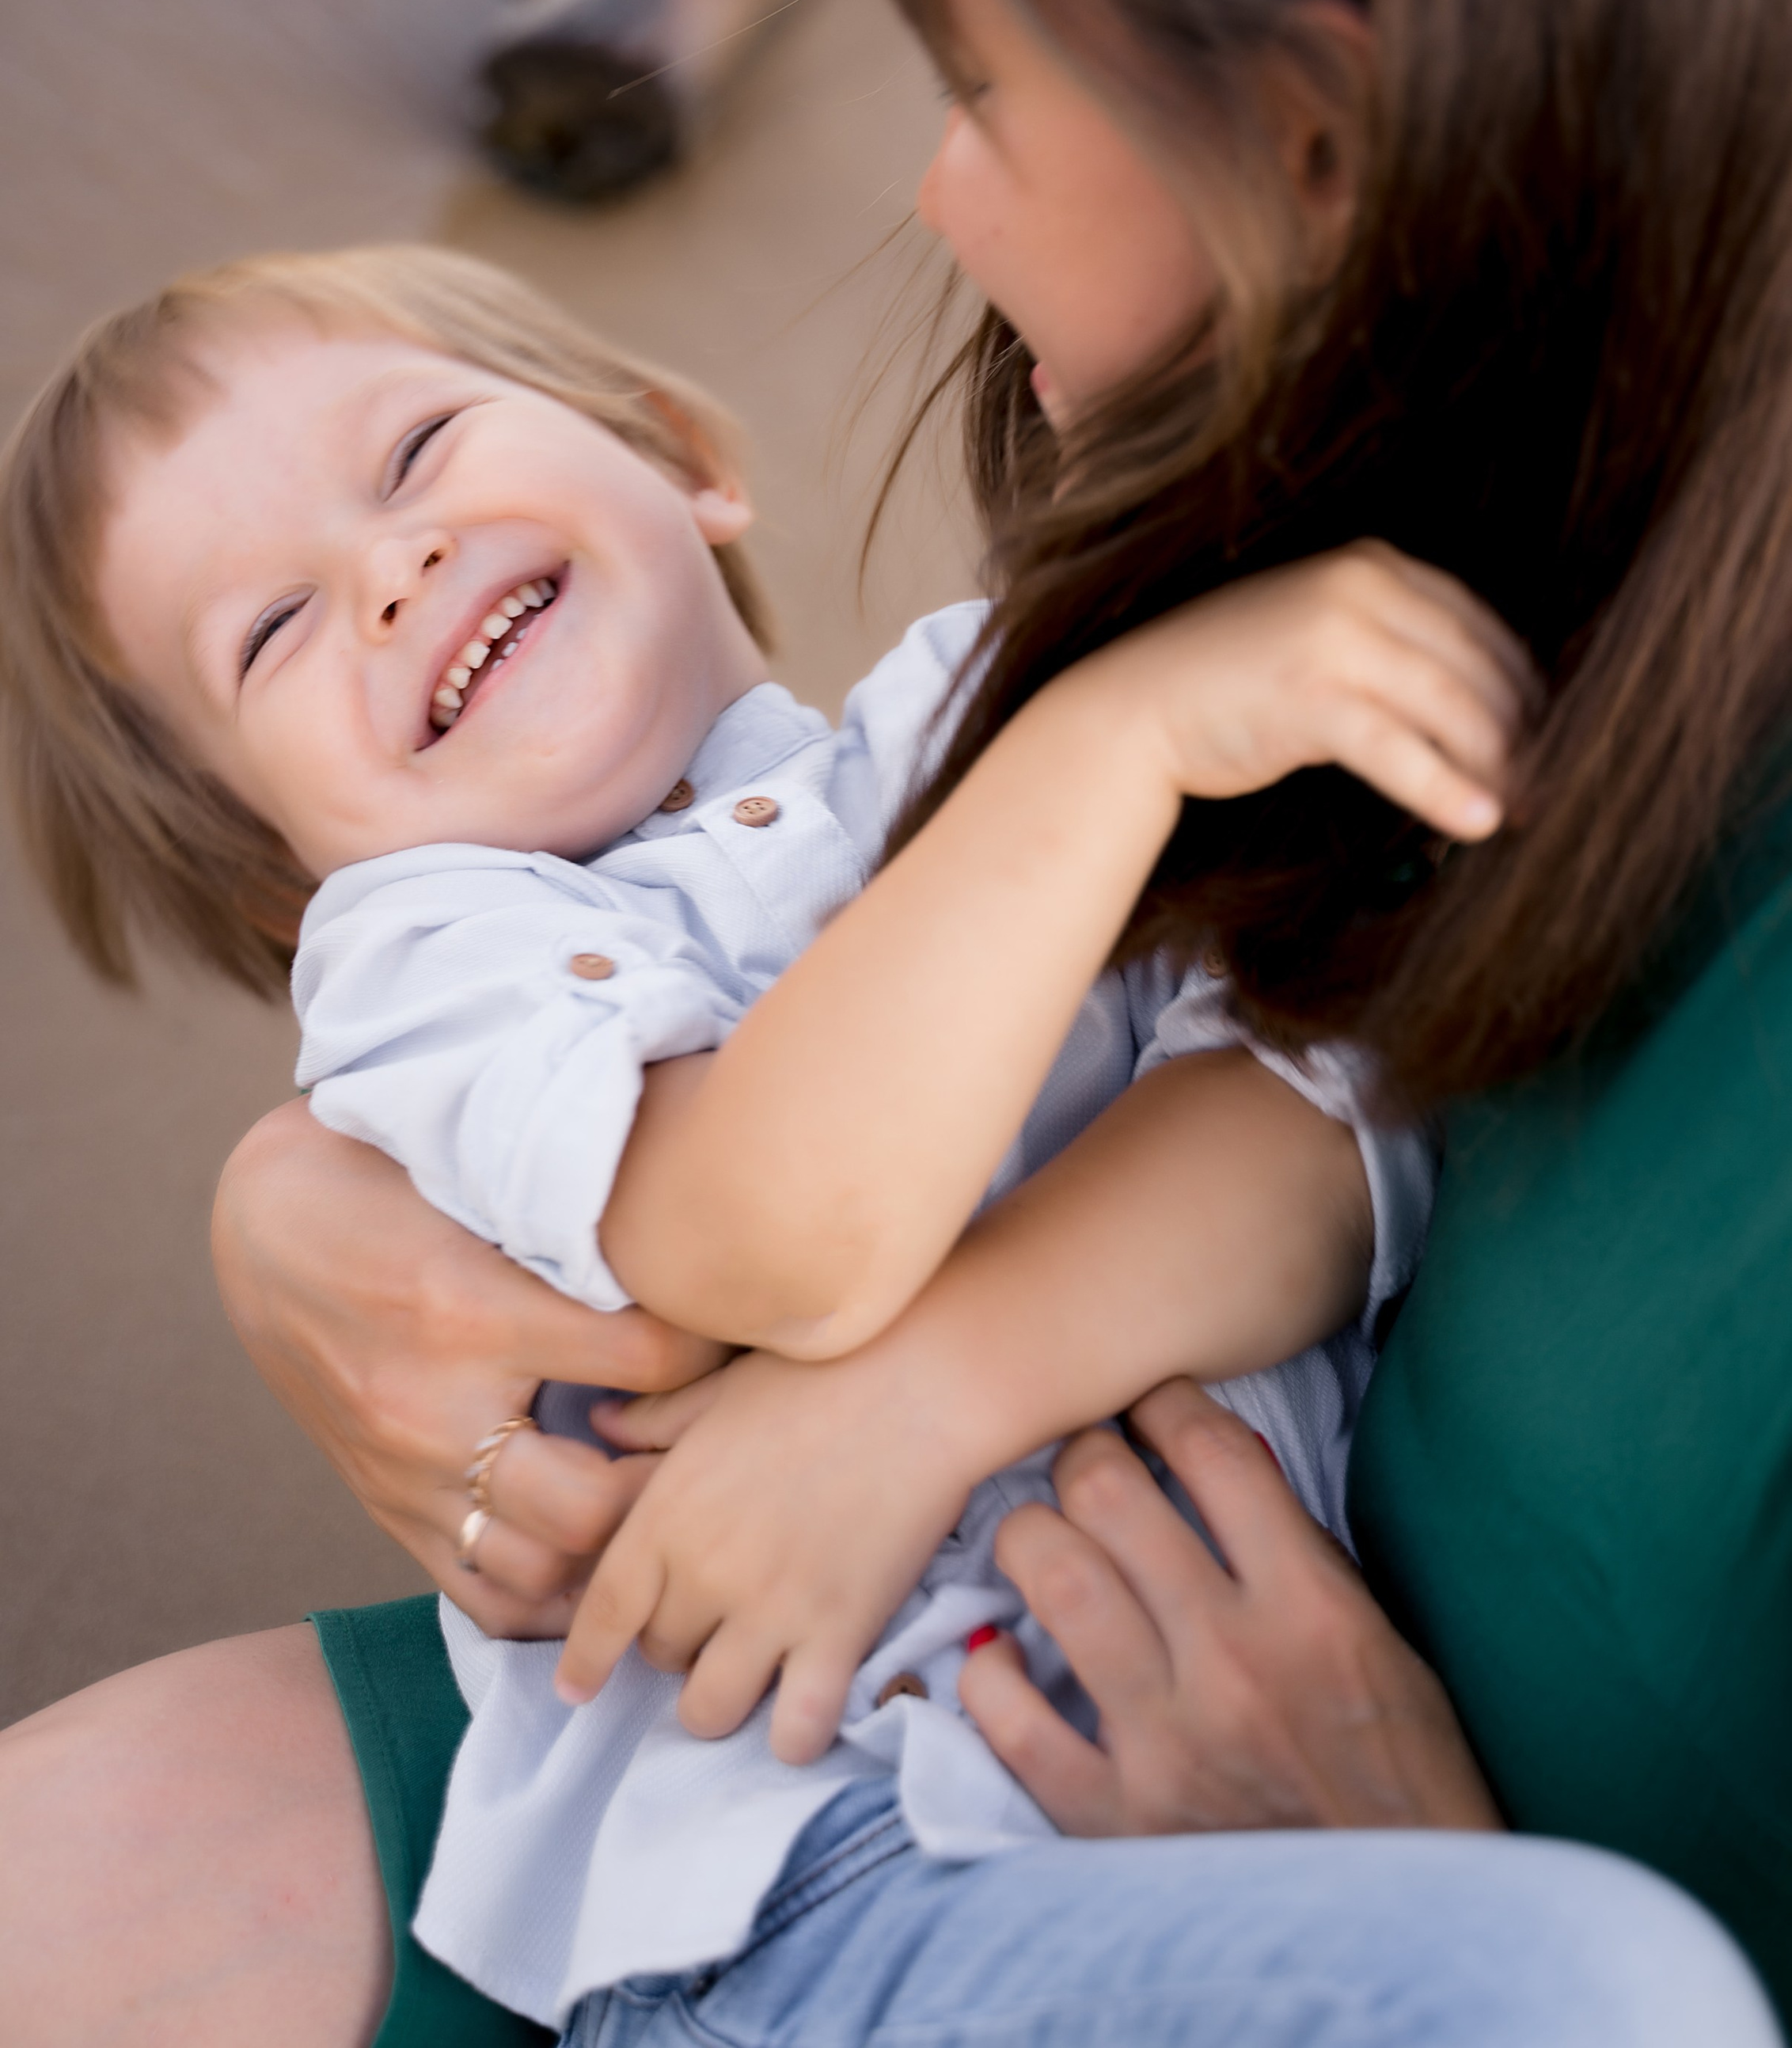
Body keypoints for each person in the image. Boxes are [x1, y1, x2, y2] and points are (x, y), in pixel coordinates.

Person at [9, 0, 1792, 2047]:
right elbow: (881, 1144)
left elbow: (1266, 1115)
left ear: (1317, 141)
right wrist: (312, 1212)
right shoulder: (1405, 588)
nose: (942, 205)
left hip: (1189, 1859)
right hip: (795, 1762)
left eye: (973, 84)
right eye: (270, 623)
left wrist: (1399, 1864)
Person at [0, 237, 1512, 2029]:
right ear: (280, 876)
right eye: (271, 630)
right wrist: (1117, 744)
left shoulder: (992, 699)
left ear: (679, 452)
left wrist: (1097, 729)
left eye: (413, 454)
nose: (387, 573)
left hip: (1223, 1734)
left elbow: (1318, 1127)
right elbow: (775, 1236)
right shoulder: (426, 967)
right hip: (806, 1880)